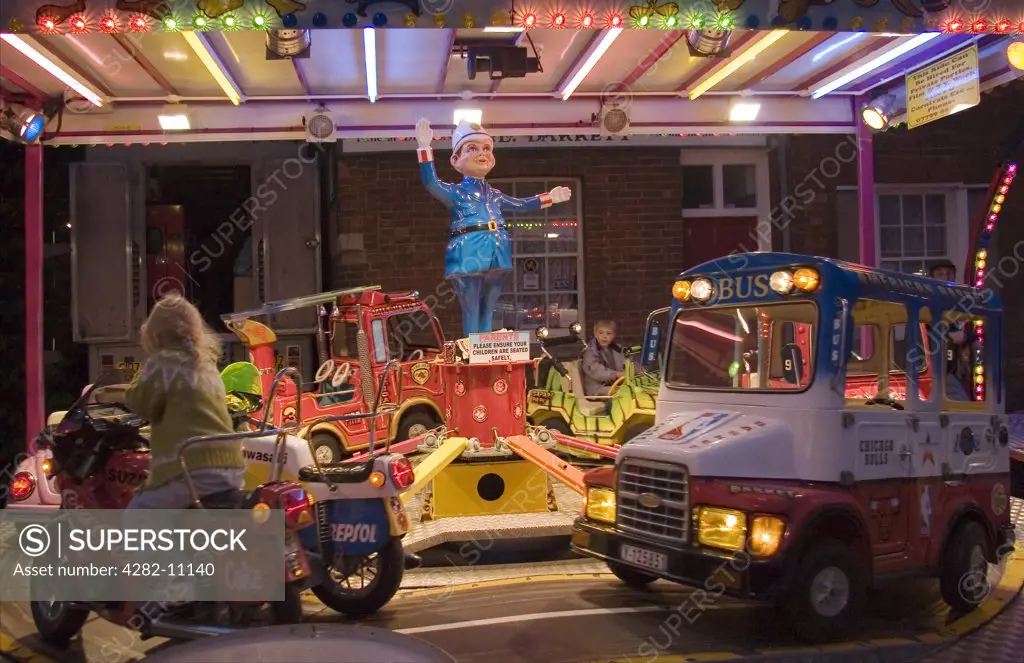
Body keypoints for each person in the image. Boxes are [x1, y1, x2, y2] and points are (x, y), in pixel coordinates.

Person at [414, 117, 572, 337]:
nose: (482, 154)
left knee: (489, 304)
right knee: (471, 304)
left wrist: (549, 198)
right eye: (472, 149)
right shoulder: (456, 193)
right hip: (469, 248)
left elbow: (521, 204)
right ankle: (473, 346)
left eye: (487, 148)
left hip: (497, 249)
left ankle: (485, 344)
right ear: (456, 159)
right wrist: (424, 148)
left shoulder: (495, 194)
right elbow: (431, 183)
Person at [124, 294, 246, 509]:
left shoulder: (162, 362)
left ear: (155, 335)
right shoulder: (206, 364)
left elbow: (140, 403)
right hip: (231, 466)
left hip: (192, 467)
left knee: (137, 513)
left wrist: (130, 385)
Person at [581, 320, 626, 398]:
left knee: (633, 389)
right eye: (601, 333)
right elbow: (596, 371)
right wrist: (616, 374)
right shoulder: (591, 351)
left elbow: (627, 361)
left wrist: (637, 371)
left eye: (608, 333)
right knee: (624, 393)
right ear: (595, 334)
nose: (604, 336)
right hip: (597, 389)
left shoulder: (617, 349)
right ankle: (611, 409)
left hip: (612, 384)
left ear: (614, 335)